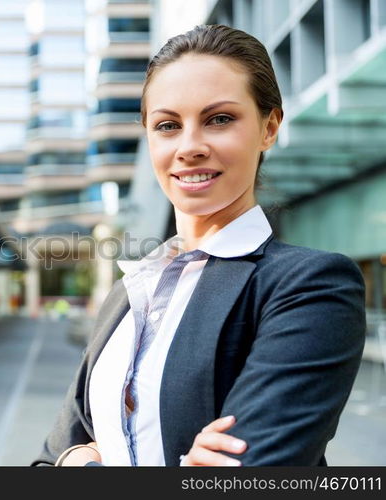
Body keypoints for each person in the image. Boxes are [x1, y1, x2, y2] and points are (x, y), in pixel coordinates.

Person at [30, 24, 366, 467]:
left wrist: (80, 462)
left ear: (269, 127)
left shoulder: (310, 287)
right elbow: (44, 461)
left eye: (219, 119)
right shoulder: (130, 292)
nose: (190, 147)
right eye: (168, 125)